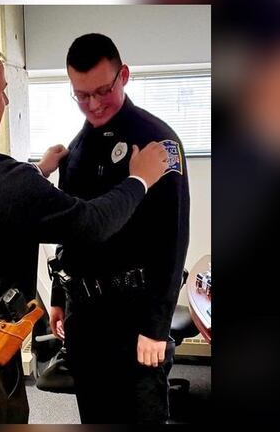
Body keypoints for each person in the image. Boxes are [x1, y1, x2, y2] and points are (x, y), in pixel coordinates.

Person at [0, 37, 170, 424]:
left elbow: (170, 238)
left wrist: (37, 171)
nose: (6, 100)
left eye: (102, 91)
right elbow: (88, 225)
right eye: (3, 91)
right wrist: (139, 179)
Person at [47, 33, 191, 424]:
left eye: (102, 91)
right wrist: (60, 295)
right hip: (85, 317)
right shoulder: (77, 148)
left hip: (135, 313)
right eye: (81, 95)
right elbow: (71, 229)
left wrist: (156, 327)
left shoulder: (158, 141)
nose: (93, 104)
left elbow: (173, 239)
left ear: (123, 76)